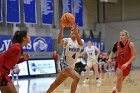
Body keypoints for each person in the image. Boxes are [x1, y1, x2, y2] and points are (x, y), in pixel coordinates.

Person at [46, 23, 84, 93]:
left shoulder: (81, 41)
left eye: (75, 30)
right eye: (72, 31)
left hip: (71, 66)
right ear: (70, 33)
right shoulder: (67, 40)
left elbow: (80, 44)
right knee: (77, 78)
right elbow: (58, 42)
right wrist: (61, 29)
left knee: (56, 83)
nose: (73, 31)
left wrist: (76, 31)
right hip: (64, 63)